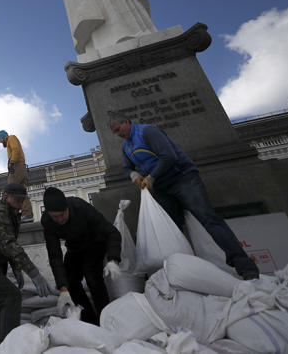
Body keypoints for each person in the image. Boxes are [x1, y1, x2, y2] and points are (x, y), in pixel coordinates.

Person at [109, 114, 260, 280]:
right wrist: (134, 175)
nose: (118, 134)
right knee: (171, 231)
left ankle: (245, 267)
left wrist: (151, 177)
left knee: (209, 219)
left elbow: (169, 156)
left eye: (119, 129)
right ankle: (185, 275)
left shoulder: (148, 132)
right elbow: (126, 167)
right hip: (161, 188)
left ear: (126, 122)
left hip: (183, 179)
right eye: (115, 133)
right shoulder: (126, 147)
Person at [0, 183, 56, 345]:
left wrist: (17, 269)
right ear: (6, 197)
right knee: (11, 297)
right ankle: (10, 347)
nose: (20, 204)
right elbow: (9, 245)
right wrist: (34, 273)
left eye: (22, 201)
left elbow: (6, 246)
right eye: (17, 200)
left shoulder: (11, 214)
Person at [41, 186, 122, 325]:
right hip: (74, 247)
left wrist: (113, 259)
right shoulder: (48, 221)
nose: (60, 219)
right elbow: (55, 256)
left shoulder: (80, 207)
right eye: (55, 217)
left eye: (62, 214)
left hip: (95, 242)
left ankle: (106, 319)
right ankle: (89, 321)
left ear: (67, 208)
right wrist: (63, 288)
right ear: (48, 213)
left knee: (92, 277)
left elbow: (112, 233)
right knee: (69, 280)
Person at [0, 130, 34, 221]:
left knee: (9, 190)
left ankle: (6, 215)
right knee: (21, 192)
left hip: (17, 167)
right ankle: (27, 214)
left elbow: (15, 149)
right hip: (21, 168)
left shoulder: (11, 138)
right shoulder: (11, 140)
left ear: (3, 137)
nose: (0, 142)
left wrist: (12, 163)